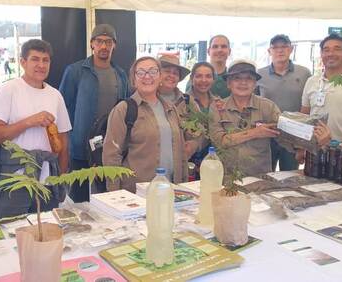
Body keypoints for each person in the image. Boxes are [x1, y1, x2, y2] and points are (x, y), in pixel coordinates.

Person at [0, 39, 71, 218]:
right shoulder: (9, 89)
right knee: (11, 230)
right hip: (17, 176)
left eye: (45, 60)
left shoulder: (55, 95)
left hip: (48, 177)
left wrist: (61, 177)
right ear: (23, 62)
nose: (41, 65)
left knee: (47, 230)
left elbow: (63, 139)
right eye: (35, 59)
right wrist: (28, 122)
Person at [59, 24, 130, 202]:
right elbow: (61, 107)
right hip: (81, 147)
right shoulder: (75, 71)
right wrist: (65, 145)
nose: (104, 46)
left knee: (110, 197)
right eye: (99, 41)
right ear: (92, 44)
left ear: (115, 45)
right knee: (79, 198)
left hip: (110, 148)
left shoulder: (121, 75)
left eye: (108, 42)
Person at [103, 56, 188, 193]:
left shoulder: (171, 109)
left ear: (160, 77)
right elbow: (111, 156)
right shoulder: (124, 110)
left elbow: (181, 151)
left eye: (153, 71)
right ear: (133, 79)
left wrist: (183, 186)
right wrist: (114, 193)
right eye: (141, 72)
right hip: (137, 193)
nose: (147, 77)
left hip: (172, 189)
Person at [208, 59, 282, 176]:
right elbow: (220, 142)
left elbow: (284, 134)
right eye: (237, 78)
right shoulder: (217, 107)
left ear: (255, 84)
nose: (243, 83)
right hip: (226, 178)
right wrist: (255, 133)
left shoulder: (268, 107)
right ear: (228, 83)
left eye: (248, 78)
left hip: (259, 178)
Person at [257, 34, 311, 171]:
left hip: (293, 138)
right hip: (267, 136)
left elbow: (308, 108)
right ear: (269, 51)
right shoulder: (259, 75)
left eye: (284, 46)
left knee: (290, 177)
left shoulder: (304, 73)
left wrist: (302, 145)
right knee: (265, 176)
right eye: (275, 47)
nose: (280, 51)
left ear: (291, 49)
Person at [186, 34, 232, 98]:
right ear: (208, 51)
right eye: (215, 47)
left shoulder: (233, 78)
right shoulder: (196, 76)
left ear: (229, 51)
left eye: (223, 46)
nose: (219, 50)